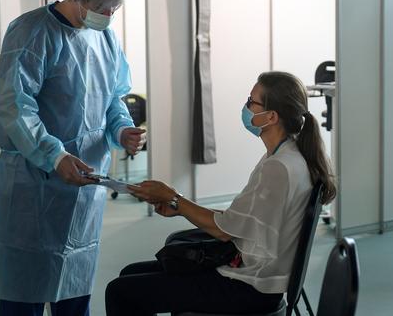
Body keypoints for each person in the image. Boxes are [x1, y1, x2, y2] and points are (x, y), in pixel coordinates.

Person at [0, 0, 146, 316]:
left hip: (84, 188)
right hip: (33, 186)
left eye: (114, 9)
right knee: (23, 293)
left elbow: (112, 97)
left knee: (74, 289)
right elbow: (15, 106)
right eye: (103, 7)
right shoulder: (31, 32)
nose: (108, 17)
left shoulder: (104, 39)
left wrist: (121, 130)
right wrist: (54, 156)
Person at [104, 71, 336, 315]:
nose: (245, 107)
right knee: (130, 275)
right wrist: (177, 206)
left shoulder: (279, 167)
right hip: (255, 276)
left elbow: (224, 230)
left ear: (271, 116)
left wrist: (173, 198)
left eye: (251, 102)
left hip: (249, 288)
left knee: (121, 291)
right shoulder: (289, 155)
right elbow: (239, 220)